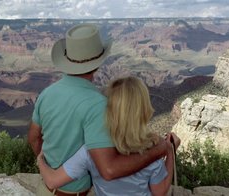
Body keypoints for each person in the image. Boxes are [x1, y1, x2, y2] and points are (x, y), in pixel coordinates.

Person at [28, 23, 171, 196]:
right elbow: (109, 170)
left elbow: (34, 138)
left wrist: (42, 159)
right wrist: (161, 150)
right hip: (78, 191)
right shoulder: (99, 105)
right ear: (97, 62)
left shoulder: (46, 93)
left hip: (47, 188)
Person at [36, 76, 180, 196]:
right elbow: (160, 191)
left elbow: (52, 181)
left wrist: (40, 160)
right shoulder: (151, 150)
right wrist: (170, 151)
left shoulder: (91, 151)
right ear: (143, 109)